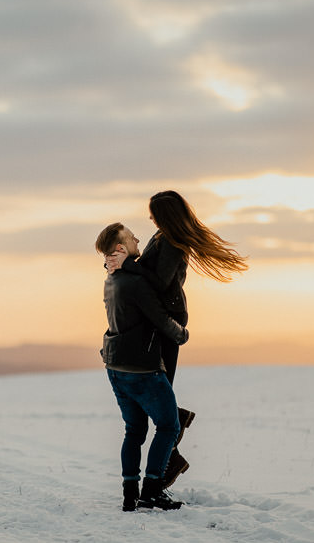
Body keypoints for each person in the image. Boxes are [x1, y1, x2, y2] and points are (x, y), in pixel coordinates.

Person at [106, 190, 248, 486]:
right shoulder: (161, 236)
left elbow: (159, 282)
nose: (149, 218)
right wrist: (119, 265)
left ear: (164, 215)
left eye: (153, 213)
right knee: (157, 391)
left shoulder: (172, 242)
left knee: (161, 389)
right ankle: (174, 438)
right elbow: (145, 271)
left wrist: (127, 266)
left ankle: (171, 455)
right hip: (158, 321)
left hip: (169, 321)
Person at [96, 222, 188, 511]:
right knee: (169, 425)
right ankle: (151, 491)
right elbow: (160, 318)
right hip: (142, 368)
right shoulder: (135, 282)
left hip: (116, 367)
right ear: (121, 248)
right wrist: (182, 334)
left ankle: (129, 494)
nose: (138, 238)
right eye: (131, 237)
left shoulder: (110, 280)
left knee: (134, 430)